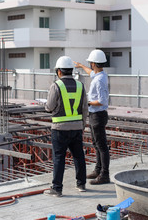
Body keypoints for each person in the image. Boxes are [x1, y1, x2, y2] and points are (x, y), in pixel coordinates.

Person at [43, 56, 88, 197]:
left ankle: (57, 188)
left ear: (59, 72)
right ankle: (81, 184)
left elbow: (49, 107)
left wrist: (46, 106)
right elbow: (85, 108)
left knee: (59, 157)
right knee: (79, 156)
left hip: (59, 129)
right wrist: (82, 125)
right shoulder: (80, 85)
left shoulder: (56, 85)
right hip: (76, 127)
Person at [74, 49, 110, 185]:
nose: (89, 65)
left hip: (98, 114)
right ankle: (98, 170)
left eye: (90, 63)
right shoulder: (99, 75)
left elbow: (102, 100)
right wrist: (81, 66)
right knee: (96, 143)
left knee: (101, 146)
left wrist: (86, 102)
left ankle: (104, 174)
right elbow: (91, 73)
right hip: (96, 114)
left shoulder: (99, 80)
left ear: (94, 63)